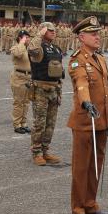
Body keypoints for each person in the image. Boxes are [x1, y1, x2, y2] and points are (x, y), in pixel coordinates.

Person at [66, 16, 108, 214]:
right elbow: (81, 84)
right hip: (85, 121)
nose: (97, 37)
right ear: (81, 37)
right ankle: (78, 208)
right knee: (81, 167)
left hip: (101, 121)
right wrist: (86, 102)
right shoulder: (77, 60)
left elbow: (106, 92)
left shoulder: (100, 59)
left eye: (98, 33)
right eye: (93, 34)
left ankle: (90, 204)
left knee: (96, 164)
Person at [28, 22, 65, 165]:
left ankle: (45, 150)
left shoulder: (56, 49)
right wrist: (39, 34)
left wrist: (59, 91)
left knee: (50, 124)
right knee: (40, 123)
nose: (53, 32)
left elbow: (59, 72)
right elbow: (32, 49)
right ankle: (36, 152)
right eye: (49, 30)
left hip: (54, 90)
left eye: (54, 30)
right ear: (43, 31)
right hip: (40, 90)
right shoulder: (39, 48)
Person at [10, 29, 32, 133]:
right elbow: (18, 54)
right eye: (26, 37)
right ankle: (17, 124)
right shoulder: (16, 48)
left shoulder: (28, 49)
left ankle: (23, 123)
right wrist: (22, 42)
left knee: (26, 102)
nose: (28, 39)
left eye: (28, 37)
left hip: (28, 78)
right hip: (19, 78)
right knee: (18, 102)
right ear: (20, 38)